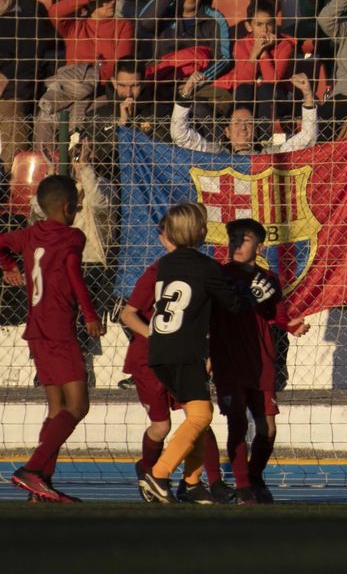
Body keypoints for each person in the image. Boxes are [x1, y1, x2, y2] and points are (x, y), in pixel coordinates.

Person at [137, 201, 251, 503]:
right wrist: (249, 289)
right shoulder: (206, 267)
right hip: (183, 350)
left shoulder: (165, 264)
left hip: (160, 349)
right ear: (200, 231)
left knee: (200, 414)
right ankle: (158, 474)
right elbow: (233, 303)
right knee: (200, 415)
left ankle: (191, 483)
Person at [0, 174, 105, 502]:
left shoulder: (30, 234)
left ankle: (39, 484)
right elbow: (73, 274)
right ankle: (32, 470)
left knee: (57, 408)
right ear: (69, 206)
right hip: (59, 329)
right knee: (78, 405)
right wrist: (90, 314)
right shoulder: (72, 236)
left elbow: (1, 243)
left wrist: (8, 266)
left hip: (36, 329)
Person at [118, 224, 231, 503]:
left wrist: (209, 349)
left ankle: (203, 482)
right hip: (150, 359)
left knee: (199, 416)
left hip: (182, 354)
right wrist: (156, 336)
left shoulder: (197, 271)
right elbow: (128, 314)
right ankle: (150, 472)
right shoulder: (159, 271)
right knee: (163, 426)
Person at [210, 218, 307, 503]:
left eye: (245, 239)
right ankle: (243, 488)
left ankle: (255, 476)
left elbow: (276, 315)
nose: (237, 244)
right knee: (237, 424)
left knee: (267, 428)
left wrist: (290, 326)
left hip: (260, 361)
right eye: (233, 239)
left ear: (260, 246)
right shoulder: (218, 276)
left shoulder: (269, 279)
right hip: (229, 361)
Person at [172, 70, 317, 154]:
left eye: (248, 122)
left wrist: (307, 94)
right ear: (227, 131)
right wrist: (186, 91)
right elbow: (180, 136)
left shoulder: (269, 156)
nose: (243, 127)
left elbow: (308, 139)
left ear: (255, 130)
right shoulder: (215, 155)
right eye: (237, 122)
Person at [212, 0, 298, 122]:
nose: (265, 30)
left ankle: (265, 133)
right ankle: (245, 129)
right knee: (242, 90)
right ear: (249, 26)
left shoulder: (284, 45)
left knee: (265, 90)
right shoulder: (241, 45)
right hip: (250, 94)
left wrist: (263, 52)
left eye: (269, 24)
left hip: (276, 97)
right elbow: (243, 80)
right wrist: (253, 55)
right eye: (259, 25)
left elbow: (272, 81)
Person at [48, 0, 135, 80]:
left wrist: (93, 79)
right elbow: (54, 12)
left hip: (104, 84)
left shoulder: (123, 25)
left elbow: (120, 65)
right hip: (73, 84)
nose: (112, 2)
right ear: (92, 0)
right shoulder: (74, 25)